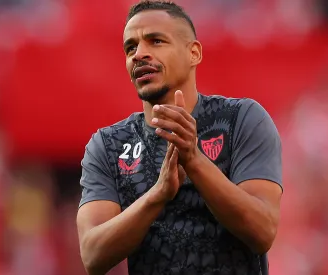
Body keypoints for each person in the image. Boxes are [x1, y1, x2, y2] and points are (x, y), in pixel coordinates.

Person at [76, 1, 283, 274]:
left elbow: (263, 231)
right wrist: (157, 196)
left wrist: (195, 161)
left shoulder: (240, 119)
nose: (139, 54)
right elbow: (92, 254)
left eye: (156, 41)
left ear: (194, 53)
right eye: (131, 48)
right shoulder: (109, 145)